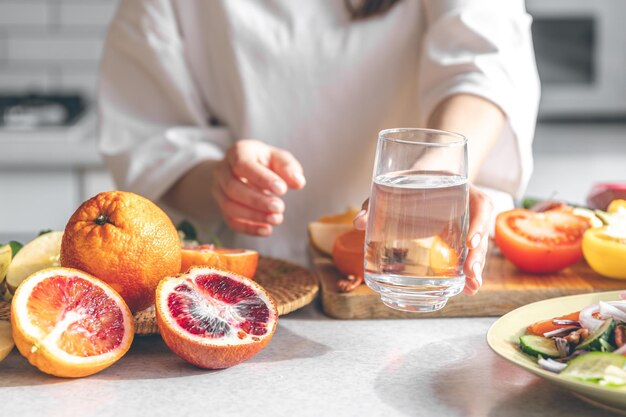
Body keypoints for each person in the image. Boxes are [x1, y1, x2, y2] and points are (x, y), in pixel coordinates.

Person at [97, 0, 540, 295]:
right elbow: (151, 138)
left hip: (430, 266)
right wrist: (221, 183)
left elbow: (483, 67)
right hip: (262, 278)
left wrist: (435, 178)